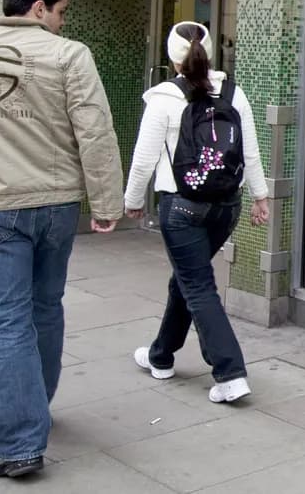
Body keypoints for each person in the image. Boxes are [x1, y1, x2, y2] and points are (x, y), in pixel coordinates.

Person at [0, 0, 124, 479]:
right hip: (55, 203)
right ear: (39, 8)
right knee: (44, 306)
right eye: (61, 12)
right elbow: (95, 132)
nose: (63, 22)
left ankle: (20, 441)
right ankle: (35, 406)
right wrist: (106, 203)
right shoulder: (69, 56)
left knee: (6, 320)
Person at [123, 21, 269, 403]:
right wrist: (261, 196)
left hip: (182, 208)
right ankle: (161, 355)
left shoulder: (165, 97)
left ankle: (230, 373)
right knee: (187, 279)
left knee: (197, 284)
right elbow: (250, 152)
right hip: (226, 207)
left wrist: (132, 201)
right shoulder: (234, 94)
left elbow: (143, 160)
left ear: (171, 57)